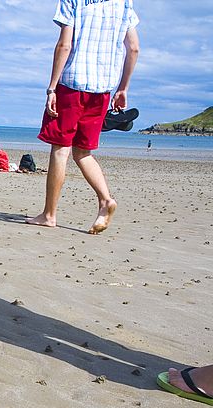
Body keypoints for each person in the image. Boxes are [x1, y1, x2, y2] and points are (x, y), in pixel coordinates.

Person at [27, 1, 140, 235]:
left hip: (72, 83)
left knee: (61, 149)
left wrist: (52, 88)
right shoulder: (124, 3)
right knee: (82, 151)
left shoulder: (73, 1)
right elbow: (134, 48)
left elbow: (64, 45)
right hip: (103, 89)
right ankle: (106, 200)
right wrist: (123, 88)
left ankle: (49, 215)